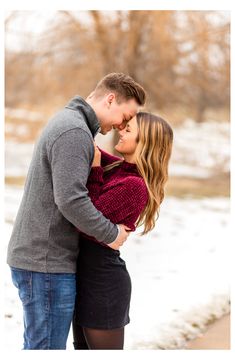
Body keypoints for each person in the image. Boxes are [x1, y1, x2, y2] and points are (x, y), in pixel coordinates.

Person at [6, 73, 146, 350]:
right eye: (126, 116)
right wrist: (111, 233)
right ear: (110, 99)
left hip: (45, 259)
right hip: (46, 261)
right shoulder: (74, 132)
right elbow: (71, 200)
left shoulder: (73, 125)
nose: (122, 125)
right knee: (46, 350)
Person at [72, 112, 173, 349]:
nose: (121, 131)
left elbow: (86, 220)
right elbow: (91, 149)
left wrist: (96, 170)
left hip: (103, 285)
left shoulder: (134, 186)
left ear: (145, 142)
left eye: (129, 130)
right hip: (83, 279)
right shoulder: (120, 167)